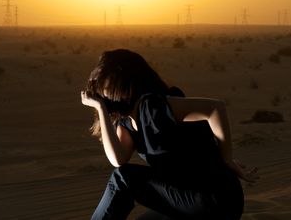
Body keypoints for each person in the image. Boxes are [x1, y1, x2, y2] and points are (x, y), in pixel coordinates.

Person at [81, 49, 258, 220]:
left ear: (121, 82)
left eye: (104, 83)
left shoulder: (152, 106)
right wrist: (101, 109)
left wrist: (226, 159)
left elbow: (214, 108)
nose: (101, 91)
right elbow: (117, 159)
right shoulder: (126, 121)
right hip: (186, 197)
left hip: (214, 198)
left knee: (123, 178)